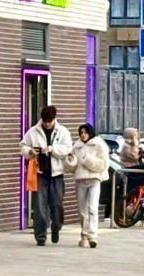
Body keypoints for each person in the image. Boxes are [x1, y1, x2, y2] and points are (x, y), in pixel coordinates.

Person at [20, 105, 73, 245]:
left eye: (50, 121)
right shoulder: (33, 131)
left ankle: (56, 228)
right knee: (40, 206)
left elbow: (68, 149)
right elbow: (23, 146)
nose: (47, 124)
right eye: (45, 121)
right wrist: (30, 151)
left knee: (57, 205)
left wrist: (52, 149)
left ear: (54, 119)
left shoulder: (62, 131)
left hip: (57, 174)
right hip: (40, 173)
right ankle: (41, 236)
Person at [67, 123, 111, 248]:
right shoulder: (76, 146)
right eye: (81, 133)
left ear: (90, 133)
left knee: (92, 208)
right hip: (81, 180)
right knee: (82, 210)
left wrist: (88, 160)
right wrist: (70, 162)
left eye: (85, 132)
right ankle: (84, 235)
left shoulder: (99, 144)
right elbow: (72, 166)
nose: (83, 135)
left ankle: (93, 235)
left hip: (94, 179)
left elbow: (103, 164)